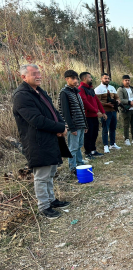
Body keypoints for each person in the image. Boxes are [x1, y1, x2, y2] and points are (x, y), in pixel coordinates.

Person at [13, 64, 70, 219]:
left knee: (51, 172)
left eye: (39, 73)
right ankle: (44, 207)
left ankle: (51, 200)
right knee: (42, 175)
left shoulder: (39, 91)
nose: (38, 76)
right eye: (34, 74)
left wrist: (61, 125)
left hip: (50, 138)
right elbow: (36, 120)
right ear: (23, 77)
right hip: (37, 142)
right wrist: (58, 127)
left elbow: (53, 111)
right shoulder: (21, 95)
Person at [58, 70, 88, 175]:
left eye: (77, 78)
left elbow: (81, 110)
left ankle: (80, 164)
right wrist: (71, 127)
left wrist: (85, 125)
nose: (76, 81)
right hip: (73, 126)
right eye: (73, 78)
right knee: (73, 148)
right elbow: (65, 112)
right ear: (67, 79)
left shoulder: (76, 92)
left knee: (79, 146)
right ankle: (72, 167)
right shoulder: (64, 93)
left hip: (80, 124)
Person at [78, 72, 107, 160]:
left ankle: (93, 151)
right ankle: (87, 153)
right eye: (90, 77)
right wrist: (95, 111)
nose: (91, 79)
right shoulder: (81, 89)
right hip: (87, 116)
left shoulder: (91, 89)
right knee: (88, 135)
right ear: (84, 79)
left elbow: (97, 101)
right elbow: (84, 102)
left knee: (94, 133)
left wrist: (103, 112)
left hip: (94, 116)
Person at [95, 73, 121, 153]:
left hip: (113, 111)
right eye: (105, 78)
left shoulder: (112, 87)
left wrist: (118, 101)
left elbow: (117, 97)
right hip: (105, 111)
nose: (107, 80)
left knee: (113, 128)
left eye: (108, 78)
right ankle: (106, 145)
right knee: (105, 128)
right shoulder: (98, 89)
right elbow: (97, 102)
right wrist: (106, 104)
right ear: (101, 79)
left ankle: (112, 144)